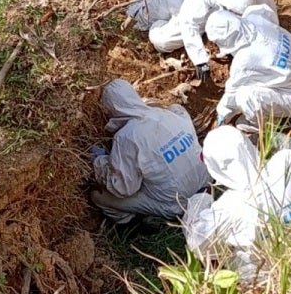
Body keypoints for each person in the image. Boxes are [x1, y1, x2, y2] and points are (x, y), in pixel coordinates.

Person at [182, 126, 291, 283]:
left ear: (214, 168)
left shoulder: (227, 208)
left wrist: (199, 200)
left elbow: (196, 243)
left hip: (269, 284)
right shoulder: (287, 160)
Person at [89, 79, 210, 224]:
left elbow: (123, 188)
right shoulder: (166, 113)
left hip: (176, 203)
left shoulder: (127, 136)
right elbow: (179, 111)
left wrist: (99, 163)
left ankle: (132, 222)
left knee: (99, 196)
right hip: (206, 181)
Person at [126, 0, 277, 82]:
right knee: (160, 37)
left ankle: (161, 21)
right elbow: (188, 22)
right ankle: (142, 3)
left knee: (162, 38)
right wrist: (200, 61)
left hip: (211, 11)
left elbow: (272, 28)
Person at [204, 5, 291, 129]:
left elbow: (231, 95)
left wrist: (221, 118)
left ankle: (269, 125)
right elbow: (266, 10)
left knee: (244, 96)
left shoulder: (244, 61)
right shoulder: (256, 17)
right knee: (263, 74)